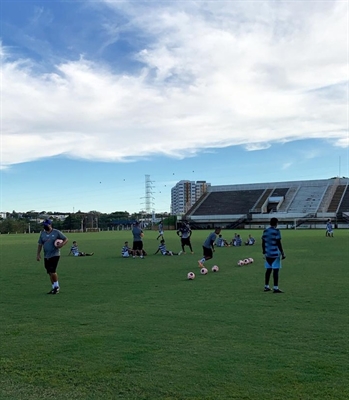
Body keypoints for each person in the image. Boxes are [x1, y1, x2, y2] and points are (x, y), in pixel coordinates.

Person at [36, 219, 68, 294]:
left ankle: (57, 287)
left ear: (50, 225)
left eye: (46, 225)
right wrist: (38, 254)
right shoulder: (42, 234)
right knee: (49, 272)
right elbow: (40, 244)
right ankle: (54, 287)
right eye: (44, 225)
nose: (45, 226)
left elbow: (66, 239)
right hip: (46, 255)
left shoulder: (56, 232)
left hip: (55, 254)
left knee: (52, 270)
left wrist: (62, 244)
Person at [262, 217, 286, 293]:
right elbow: (278, 242)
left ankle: (266, 286)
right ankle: (275, 287)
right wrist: (282, 253)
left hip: (267, 253)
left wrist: (264, 252)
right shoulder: (277, 231)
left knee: (268, 270)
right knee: (276, 270)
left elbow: (263, 242)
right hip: (275, 253)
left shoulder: (265, 231)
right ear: (276, 223)